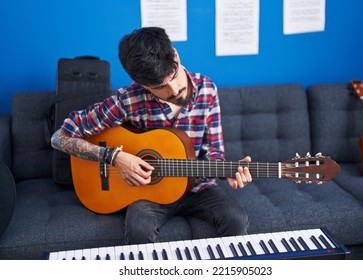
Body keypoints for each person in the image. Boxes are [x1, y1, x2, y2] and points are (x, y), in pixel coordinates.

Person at [51, 27, 252, 245]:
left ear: (176, 55)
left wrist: (226, 171)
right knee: (139, 230)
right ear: (143, 85)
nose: (174, 90)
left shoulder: (207, 89)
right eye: (160, 87)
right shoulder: (128, 99)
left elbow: (214, 150)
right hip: (147, 193)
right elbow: (59, 138)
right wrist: (115, 157)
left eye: (174, 76)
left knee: (236, 220)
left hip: (198, 187)